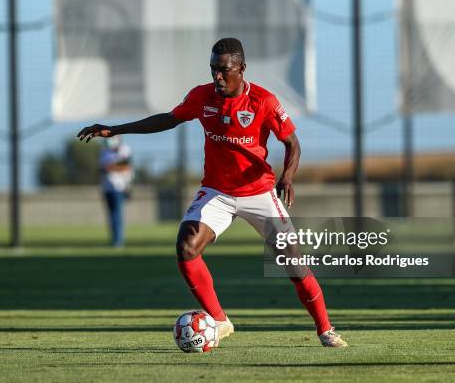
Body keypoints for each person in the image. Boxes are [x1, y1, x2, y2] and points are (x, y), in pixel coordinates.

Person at [77, 37, 348, 347]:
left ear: (242, 69)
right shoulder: (201, 96)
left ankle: (325, 329)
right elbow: (168, 119)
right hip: (217, 191)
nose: (217, 77)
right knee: (187, 246)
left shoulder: (264, 101)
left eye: (224, 70)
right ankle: (219, 320)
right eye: (213, 70)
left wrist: (287, 176)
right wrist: (116, 129)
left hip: (260, 192)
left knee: (293, 264)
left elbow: (292, 143)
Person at [99, 136, 133, 247]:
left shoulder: (125, 150)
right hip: (107, 187)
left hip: (120, 187)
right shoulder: (104, 152)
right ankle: (115, 238)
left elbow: (126, 167)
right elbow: (103, 168)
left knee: (117, 214)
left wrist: (112, 167)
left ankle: (118, 240)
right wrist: (115, 166)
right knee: (111, 215)